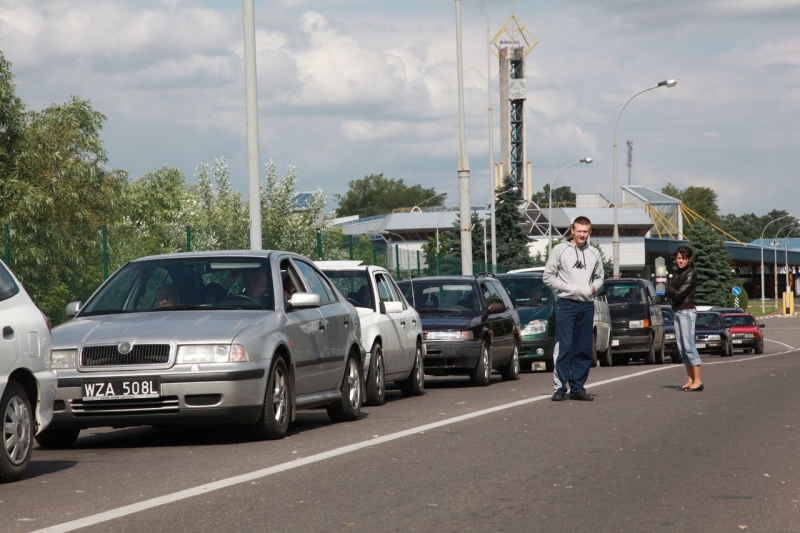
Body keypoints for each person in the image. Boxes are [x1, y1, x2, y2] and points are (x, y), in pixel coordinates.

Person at [543, 216, 604, 402]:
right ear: (572, 231)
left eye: (585, 231)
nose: (582, 235)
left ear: (590, 232)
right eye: (579, 231)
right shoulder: (560, 250)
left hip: (586, 304)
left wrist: (593, 288)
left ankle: (577, 387)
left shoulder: (594, 253)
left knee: (583, 347)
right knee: (564, 346)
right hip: (566, 303)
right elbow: (548, 277)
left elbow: (600, 277)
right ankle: (560, 387)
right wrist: (571, 288)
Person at [666, 245, 702, 391]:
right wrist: (671, 290)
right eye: (678, 258)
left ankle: (698, 380)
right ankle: (690, 378)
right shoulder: (677, 273)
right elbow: (670, 290)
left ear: (689, 259)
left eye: (683, 258)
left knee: (689, 346)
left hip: (687, 312)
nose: (680, 261)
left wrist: (671, 290)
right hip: (677, 311)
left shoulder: (691, 274)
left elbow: (679, 293)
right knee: (681, 348)